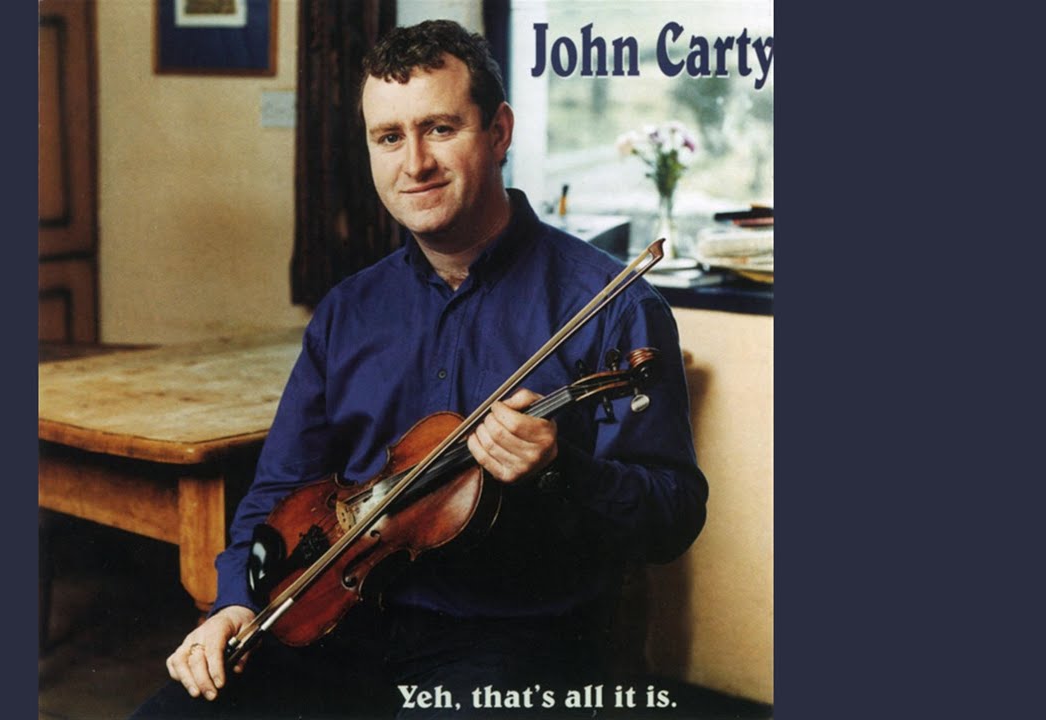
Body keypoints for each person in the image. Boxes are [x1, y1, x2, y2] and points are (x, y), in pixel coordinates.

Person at [132, 19, 707, 719]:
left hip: (512, 637)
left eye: (439, 129)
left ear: (499, 132)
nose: (415, 164)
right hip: (341, 623)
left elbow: (673, 516)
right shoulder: (348, 310)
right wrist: (234, 603)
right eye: (388, 137)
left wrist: (563, 468)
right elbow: (280, 487)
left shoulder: (613, 304)